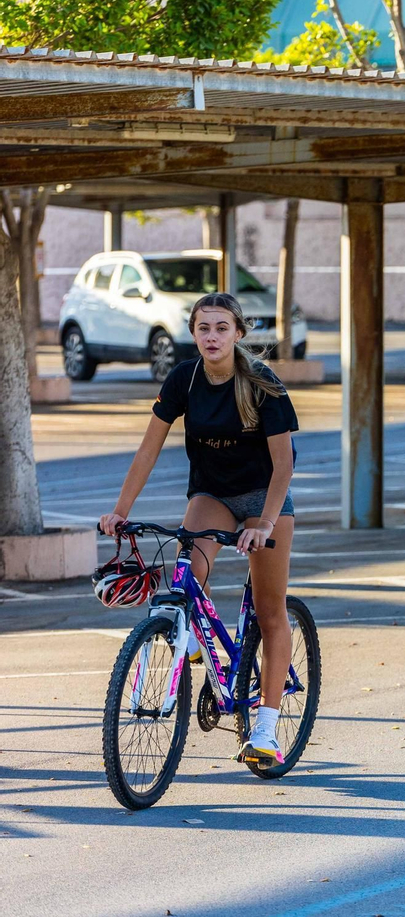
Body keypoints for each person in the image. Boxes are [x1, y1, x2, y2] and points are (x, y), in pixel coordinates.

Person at [99, 292, 299, 769]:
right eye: (203, 328)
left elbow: (284, 464)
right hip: (210, 494)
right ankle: (188, 637)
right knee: (187, 577)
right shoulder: (183, 379)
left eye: (221, 328)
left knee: (271, 610)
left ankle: (267, 728)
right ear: (193, 333)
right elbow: (148, 450)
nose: (212, 337)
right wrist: (120, 511)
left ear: (238, 333)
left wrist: (265, 524)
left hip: (261, 497)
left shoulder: (262, 383)